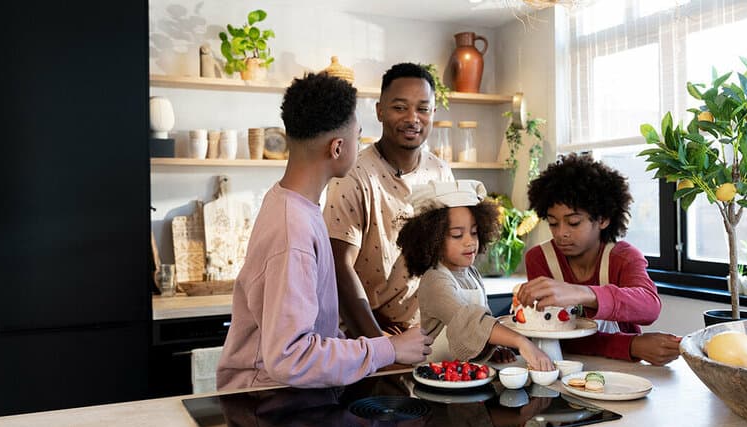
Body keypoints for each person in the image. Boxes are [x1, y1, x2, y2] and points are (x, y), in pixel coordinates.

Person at [216, 73, 433, 391]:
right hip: (265, 399)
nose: (361, 147)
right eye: (359, 137)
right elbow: (291, 358)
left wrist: (373, 349)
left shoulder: (292, 204)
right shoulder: (293, 230)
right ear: (337, 148)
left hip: (286, 392)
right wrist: (388, 349)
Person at [324, 63, 454, 338]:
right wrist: (381, 341)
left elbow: (448, 256)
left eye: (422, 108)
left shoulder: (440, 172)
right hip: (367, 335)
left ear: (433, 113)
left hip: (426, 334)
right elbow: (338, 268)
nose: (412, 118)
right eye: (399, 107)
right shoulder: (353, 175)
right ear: (380, 111)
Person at [516, 153, 681, 366]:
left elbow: (650, 307)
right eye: (553, 223)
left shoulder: (623, 257)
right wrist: (631, 345)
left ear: (603, 219)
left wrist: (583, 293)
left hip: (623, 371)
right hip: (561, 367)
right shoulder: (540, 259)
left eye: (574, 223)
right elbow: (550, 334)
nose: (561, 233)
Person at [396, 179, 554, 370]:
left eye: (474, 232)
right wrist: (521, 342)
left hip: (464, 374)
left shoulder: (471, 273)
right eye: (457, 235)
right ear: (432, 240)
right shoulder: (435, 280)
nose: (470, 242)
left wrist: (492, 348)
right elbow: (468, 320)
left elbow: (482, 325)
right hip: (434, 374)